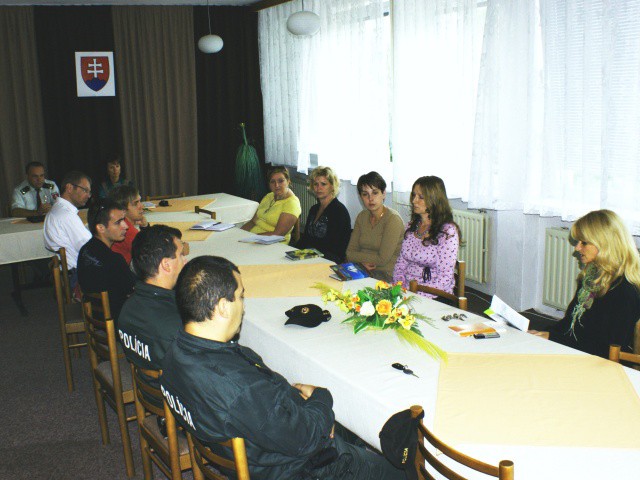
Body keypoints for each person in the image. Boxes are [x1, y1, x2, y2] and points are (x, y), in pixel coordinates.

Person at [160, 256, 403, 480]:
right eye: (241, 296)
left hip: (266, 441)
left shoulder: (175, 353)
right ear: (223, 307)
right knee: (400, 471)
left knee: (351, 428)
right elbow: (305, 438)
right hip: (300, 467)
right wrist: (320, 397)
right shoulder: (238, 387)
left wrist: (306, 409)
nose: (243, 306)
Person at [532, 210, 640, 359]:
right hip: (578, 349)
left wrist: (553, 338)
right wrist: (544, 333)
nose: (577, 248)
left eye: (583, 243)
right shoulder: (591, 277)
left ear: (604, 244)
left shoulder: (625, 291)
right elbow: (570, 322)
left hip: (600, 362)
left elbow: (606, 349)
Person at [118, 225, 185, 401]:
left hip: (146, 390)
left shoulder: (128, 307)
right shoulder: (175, 324)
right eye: (181, 255)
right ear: (166, 264)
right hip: (173, 401)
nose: (185, 261)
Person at [393, 176, 459, 298]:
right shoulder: (411, 226)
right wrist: (399, 286)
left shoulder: (447, 232)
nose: (414, 201)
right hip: (408, 291)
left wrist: (416, 295)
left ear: (434, 199)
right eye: (414, 195)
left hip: (434, 295)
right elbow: (401, 263)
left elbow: (444, 278)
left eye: (421, 197)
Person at [77, 198, 136, 323]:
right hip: (115, 318)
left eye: (124, 220)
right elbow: (133, 291)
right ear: (101, 228)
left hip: (93, 312)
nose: (125, 226)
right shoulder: (114, 260)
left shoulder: (85, 250)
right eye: (118, 222)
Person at [346, 172, 404, 282]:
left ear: (384, 194)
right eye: (365, 194)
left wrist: (359, 260)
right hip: (360, 269)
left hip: (385, 275)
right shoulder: (362, 216)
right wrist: (361, 264)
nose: (370, 198)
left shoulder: (393, 219)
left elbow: (382, 259)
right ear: (361, 197)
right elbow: (349, 253)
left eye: (375, 193)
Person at [297, 166, 351, 263]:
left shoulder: (339, 211)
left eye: (323, 184)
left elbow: (336, 248)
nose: (319, 188)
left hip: (329, 260)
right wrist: (291, 250)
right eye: (316, 184)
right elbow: (305, 239)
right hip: (310, 256)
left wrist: (310, 255)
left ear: (332, 186)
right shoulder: (314, 209)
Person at [43, 171, 92, 279]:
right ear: (69, 188)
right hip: (77, 275)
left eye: (89, 192)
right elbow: (89, 247)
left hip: (69, 272)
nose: (88, 196)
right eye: (85, 190)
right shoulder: (66, 215)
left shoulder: (58, 209)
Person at [241, 165, 301, 244]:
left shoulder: (292, 204)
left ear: (288, 181)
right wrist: (239, 234)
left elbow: (277, 235)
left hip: (272, 244)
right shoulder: (269, 196)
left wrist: (250, 239)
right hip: (254, 238)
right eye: (272, 182)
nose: (276, 185)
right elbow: (253, 222)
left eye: (280, 181)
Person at [108, 185, 149, 264]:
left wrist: (144, 227)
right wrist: (146, 228)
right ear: (123, 209)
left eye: (140, 201)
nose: (141, 206)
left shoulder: (118, 223)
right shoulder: (128, 231)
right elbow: (151, 253)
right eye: (136, 203)